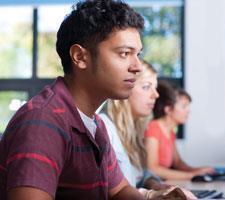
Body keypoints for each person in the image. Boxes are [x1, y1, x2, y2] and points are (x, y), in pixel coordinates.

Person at [0, 0, 148, 199]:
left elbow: (119, 191)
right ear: (80, 57)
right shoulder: (43, 122)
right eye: (124, 53)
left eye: (138, 54)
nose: (137, 66)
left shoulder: (95, 125)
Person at [100, 61, 197, 199]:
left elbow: (140, 175)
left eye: (155, 88)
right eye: (146, 87)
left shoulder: (132, 132)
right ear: (124, 88)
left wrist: (156, 186)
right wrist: (149, 194)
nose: (156, 95)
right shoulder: (104, 128)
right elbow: (110, 191)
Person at [145, 80, 215, 180]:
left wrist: (196, 171)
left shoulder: (170, 131)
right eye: (184, 106)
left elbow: (177, 162)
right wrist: (191, 176)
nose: (188, 110)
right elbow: (152, 168)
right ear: (168, 109)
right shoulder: (153, 128)